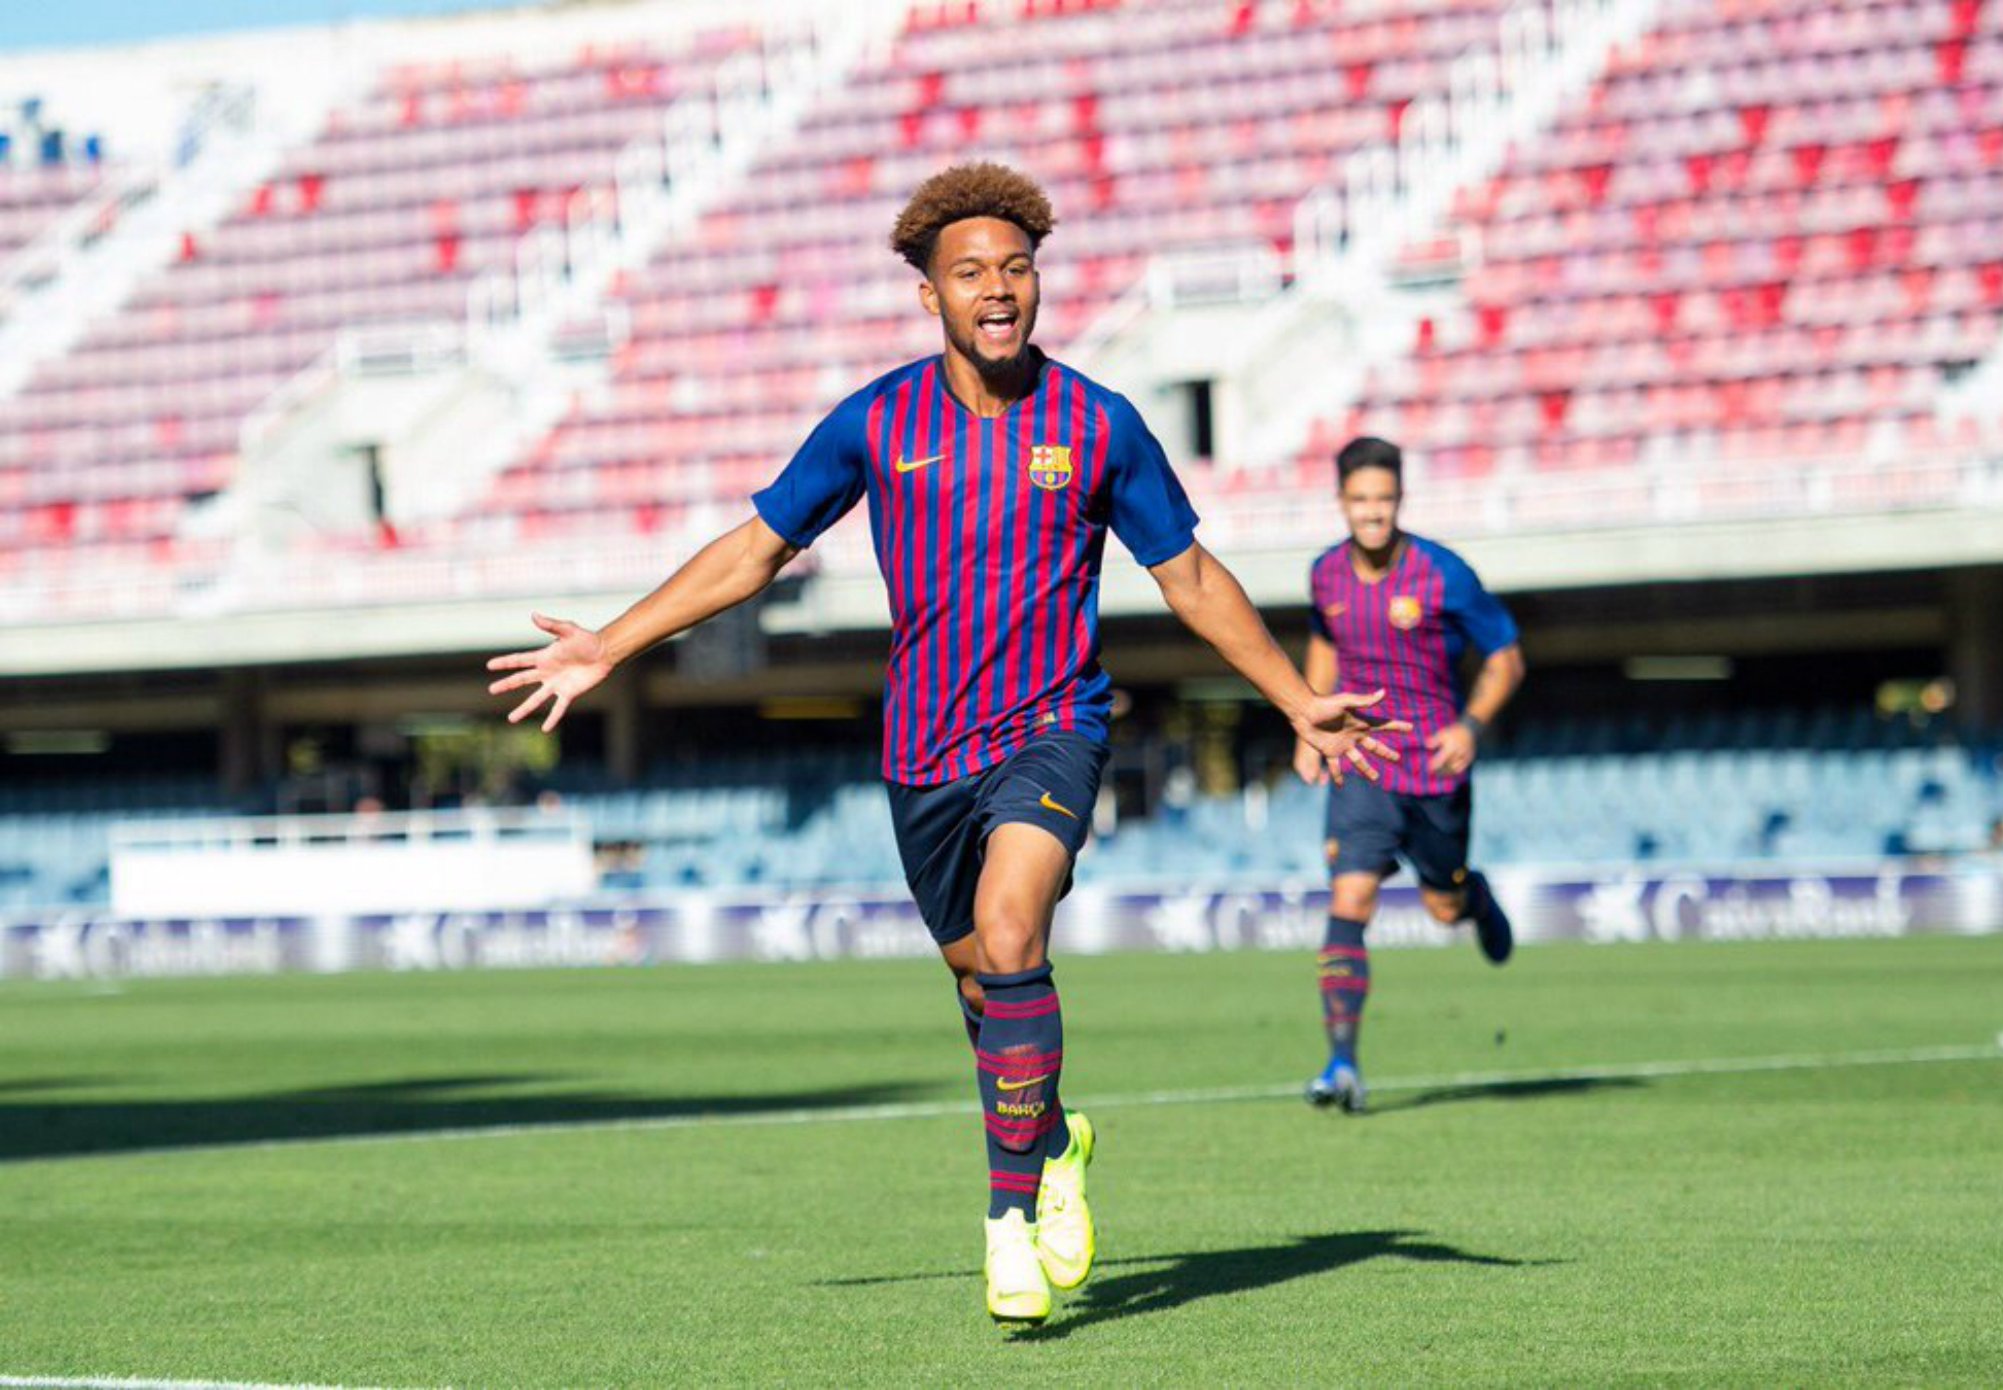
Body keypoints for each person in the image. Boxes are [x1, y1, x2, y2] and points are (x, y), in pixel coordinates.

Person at [485, 163, 1405, 1325]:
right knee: (984, 983)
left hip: (1053, 726)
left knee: (1016, 927)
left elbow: (1189, 577)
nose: (999, 288)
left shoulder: (1098, 423)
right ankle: (1057, 1139)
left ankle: (1007, 1221)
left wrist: (1288, 695)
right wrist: (610, 643)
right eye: (970, 271)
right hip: (922, 753)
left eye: (1017, 268)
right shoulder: (875, 421)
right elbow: (754, 549)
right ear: (929, 295)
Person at [1292, 436, 1525, 1113]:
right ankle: (1341, 1065)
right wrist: (1308, 724)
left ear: (1399, 501)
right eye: (1360, 500)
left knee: (1440, 908)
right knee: (1349, 902)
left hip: (1433, 768)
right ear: (1341, 502)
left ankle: (1470, 896)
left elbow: (1506, 658)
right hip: (1362, 762)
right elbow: (1324, 643)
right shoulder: (1324, 575)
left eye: (1383, 500)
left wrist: (1470, 727)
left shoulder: (1443, 573)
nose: (1372, 513)